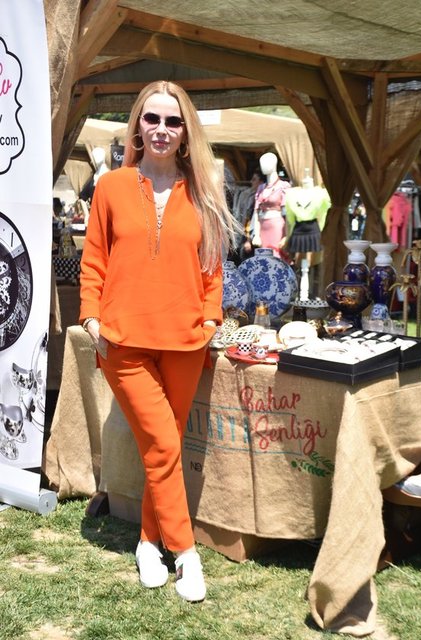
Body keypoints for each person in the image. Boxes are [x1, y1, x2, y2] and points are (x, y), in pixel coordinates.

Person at [79, 80, 237, 602]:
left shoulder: (205, 190)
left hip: (186, 342)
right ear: (138, 125)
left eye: (172, 121)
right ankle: (186, 555)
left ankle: (149, 543)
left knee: (160, 449)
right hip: (122, 340)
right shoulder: (111, 187)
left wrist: (211, 319)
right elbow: (94, 258)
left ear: (185, 131)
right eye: (152, 119)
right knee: (165, 444)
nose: (162, 129)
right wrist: (92, 319)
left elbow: (212, 268)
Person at [251, 152, 290, 258]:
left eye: (267, 162)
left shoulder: (283, 186)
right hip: (263, 226)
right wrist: (256, 234)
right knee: (264, 259)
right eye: (262, 163)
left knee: (277, 257)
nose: (263, 165)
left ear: (274, 164)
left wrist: (286, 236)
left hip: (277, 226)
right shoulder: (261, 188)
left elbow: (287, 214)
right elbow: (256, 212)